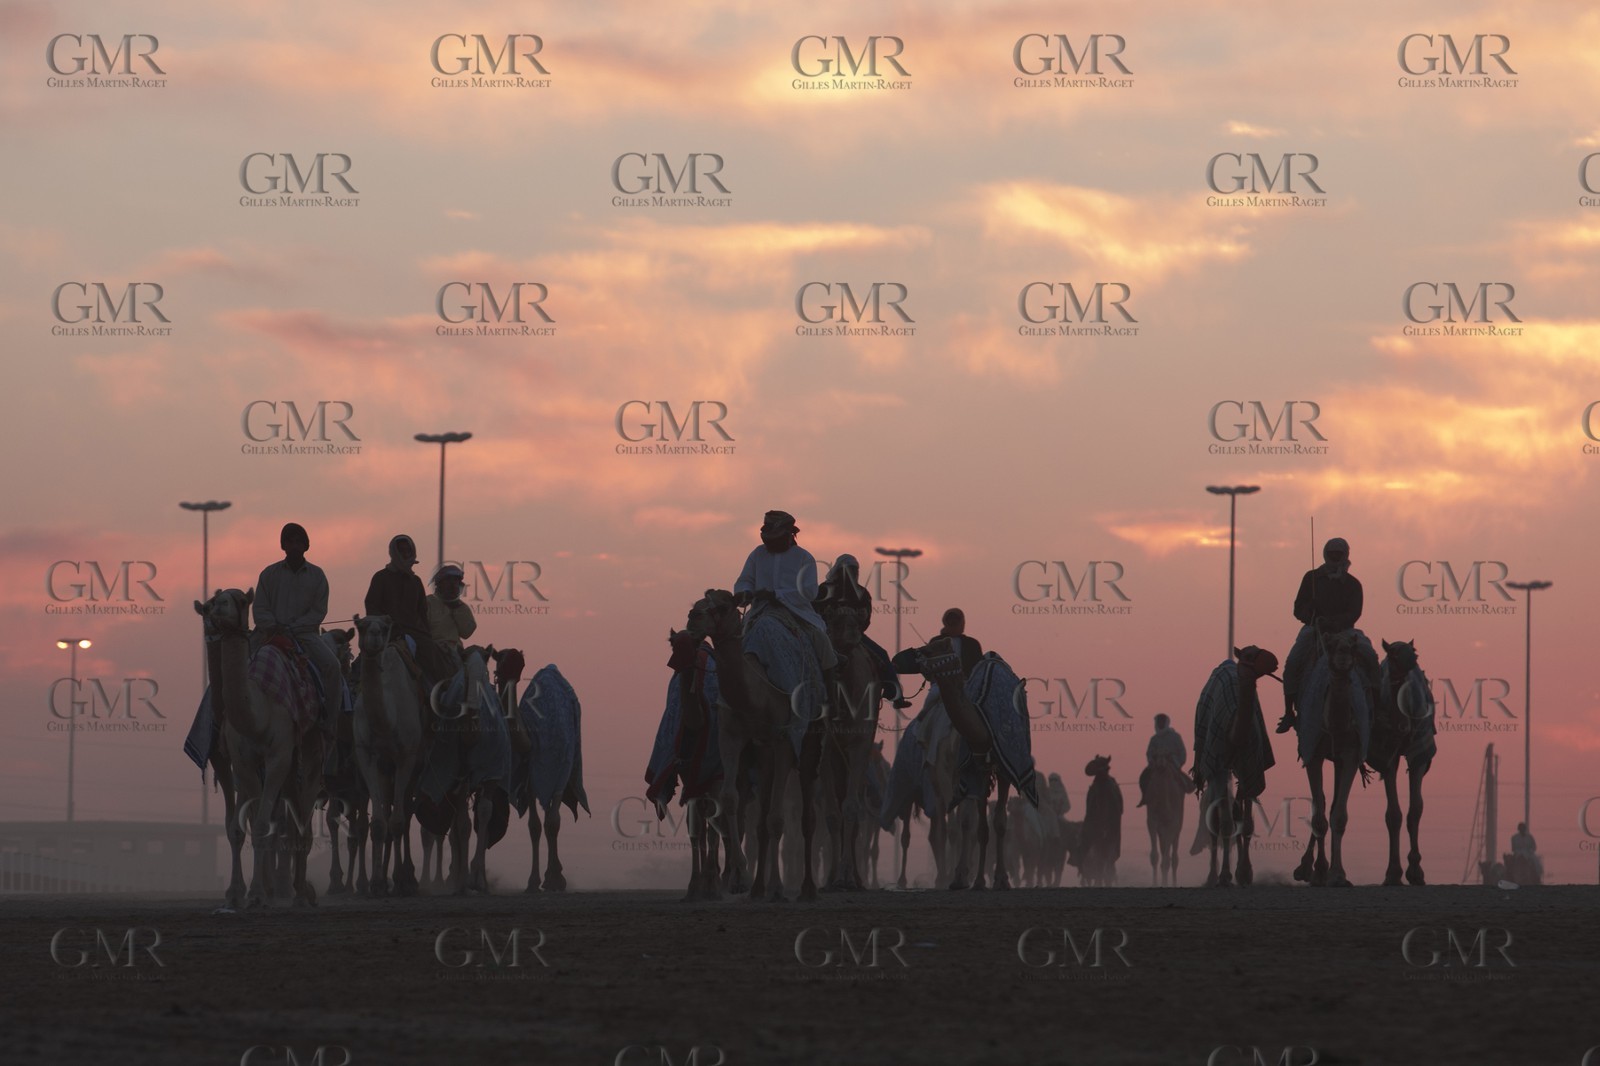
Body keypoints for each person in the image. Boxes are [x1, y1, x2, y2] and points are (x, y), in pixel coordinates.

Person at [732, 510, 839, 702]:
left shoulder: (803, 557)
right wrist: (744, 592)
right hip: (759, 612)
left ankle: (830, 702)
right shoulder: (757, 555)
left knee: (822, 643)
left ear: (789, 535)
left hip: (797, 614)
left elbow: (809, 591)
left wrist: (777, 595)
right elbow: (745, 580)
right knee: (730, 649)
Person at [1278, 537, 1379, 733]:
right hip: (1314, 630)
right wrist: (1310, 613)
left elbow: (1355, 612)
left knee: (1370, 656)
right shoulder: (1311, 578)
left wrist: (1335, 623)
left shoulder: (1352, 584)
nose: (1334, 558)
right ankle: (1289, 712)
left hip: (1345, 632)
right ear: (1325, 554)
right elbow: (1298, 608)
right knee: (1292, 662)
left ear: (1345, 555)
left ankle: (1377, 710)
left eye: (1338, 554)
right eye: (1331, 554)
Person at [252, 522, 341, 734]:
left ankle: (329, 724)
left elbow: (319, 611)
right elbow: (260, 608)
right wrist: (274, 626)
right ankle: (222, 724)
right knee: (237, 667)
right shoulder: (269, 574)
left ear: (306, 545)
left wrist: (293, 627)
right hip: (269, 636)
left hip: (305, 636)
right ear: (283, 545)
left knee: (333, 667)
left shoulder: (317, 576)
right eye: (289, 541)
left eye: (298, 541)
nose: (294, 545)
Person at [363, 534, 449, 686]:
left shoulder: (416, 582)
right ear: (393, 552)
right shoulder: (381, 577)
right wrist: (383, 621)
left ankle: (439, 694)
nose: (405, 554)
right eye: (401, 551)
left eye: (408, 551)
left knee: (435, 657)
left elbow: (422, 612)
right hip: (387, 632)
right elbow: (371, 605)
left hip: (414, 633)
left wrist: (426, 635)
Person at [814, 553, 899, 703]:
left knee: (881, 655)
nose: (851, 573)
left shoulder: (861, 593)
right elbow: (814, 613)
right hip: (826, 635)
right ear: (839, 570)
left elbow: (866, 619)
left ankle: (894, 693)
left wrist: (856, 623)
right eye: (848, 569)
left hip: (855, 636)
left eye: (854, 570)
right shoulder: (823, 591)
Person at [890, 608, 985, 679]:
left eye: (956, 619)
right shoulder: (936, 642)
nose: (953, 621)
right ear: (945, 621)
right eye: (950, 619)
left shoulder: (972, 644)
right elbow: (926, 663)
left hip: (968, 685)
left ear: (962, 621)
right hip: (940, 686)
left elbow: (979, 668)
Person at [425, 563, 477, 676]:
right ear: (439, 584)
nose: (452, 584)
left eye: (455, 581)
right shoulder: (427, 603)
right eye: (448, 580)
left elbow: (466, 632)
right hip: (432, 654)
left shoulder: (461, 607)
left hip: (456, 653)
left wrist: (455, 608)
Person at [1137, 713, 1186, 808]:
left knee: (1181, 781)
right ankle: (1144, 797)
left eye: (1162, 722)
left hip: (1172, 763)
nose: (1160, 724)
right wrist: (1151, 760)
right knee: (1144, 777)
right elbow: (1149, 753)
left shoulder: (1175, 737)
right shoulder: (1154, 739)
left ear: (1166, 722)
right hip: (1156, 764)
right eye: (1158, 722)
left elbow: (1182, 752)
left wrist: (1178, 763)